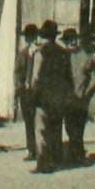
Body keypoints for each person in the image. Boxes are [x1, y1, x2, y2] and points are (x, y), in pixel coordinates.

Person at [29, 20, 72, 173]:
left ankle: (43, 163)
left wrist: (33, 96)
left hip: (43, 97)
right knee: (55, 129)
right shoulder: (64, 54)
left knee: (41, 130)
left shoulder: (40, 53)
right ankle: (56, 160)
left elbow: (36, 77)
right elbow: (68, 78)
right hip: (58, 97)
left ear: (43, 36)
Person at [61, 27, 95, 165]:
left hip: (80, 99)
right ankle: (75, 154)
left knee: (77, 128)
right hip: (69, 99)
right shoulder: (63, 56)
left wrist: (86, 94)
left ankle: (78, 155)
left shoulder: (87, 56)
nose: (70, 43)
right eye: (67, 41)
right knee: (70, 128)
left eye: (71, 40)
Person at [15, 24, 40, 162]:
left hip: (39, 93)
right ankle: (31, 150)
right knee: (29, 122)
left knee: (39, 122)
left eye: (34, 38)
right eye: (29, 38)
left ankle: (41, 149)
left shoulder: (41, 53)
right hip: (26, 94)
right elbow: (17, 72)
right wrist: (19, 88)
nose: (32, 41)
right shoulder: (22, 54)